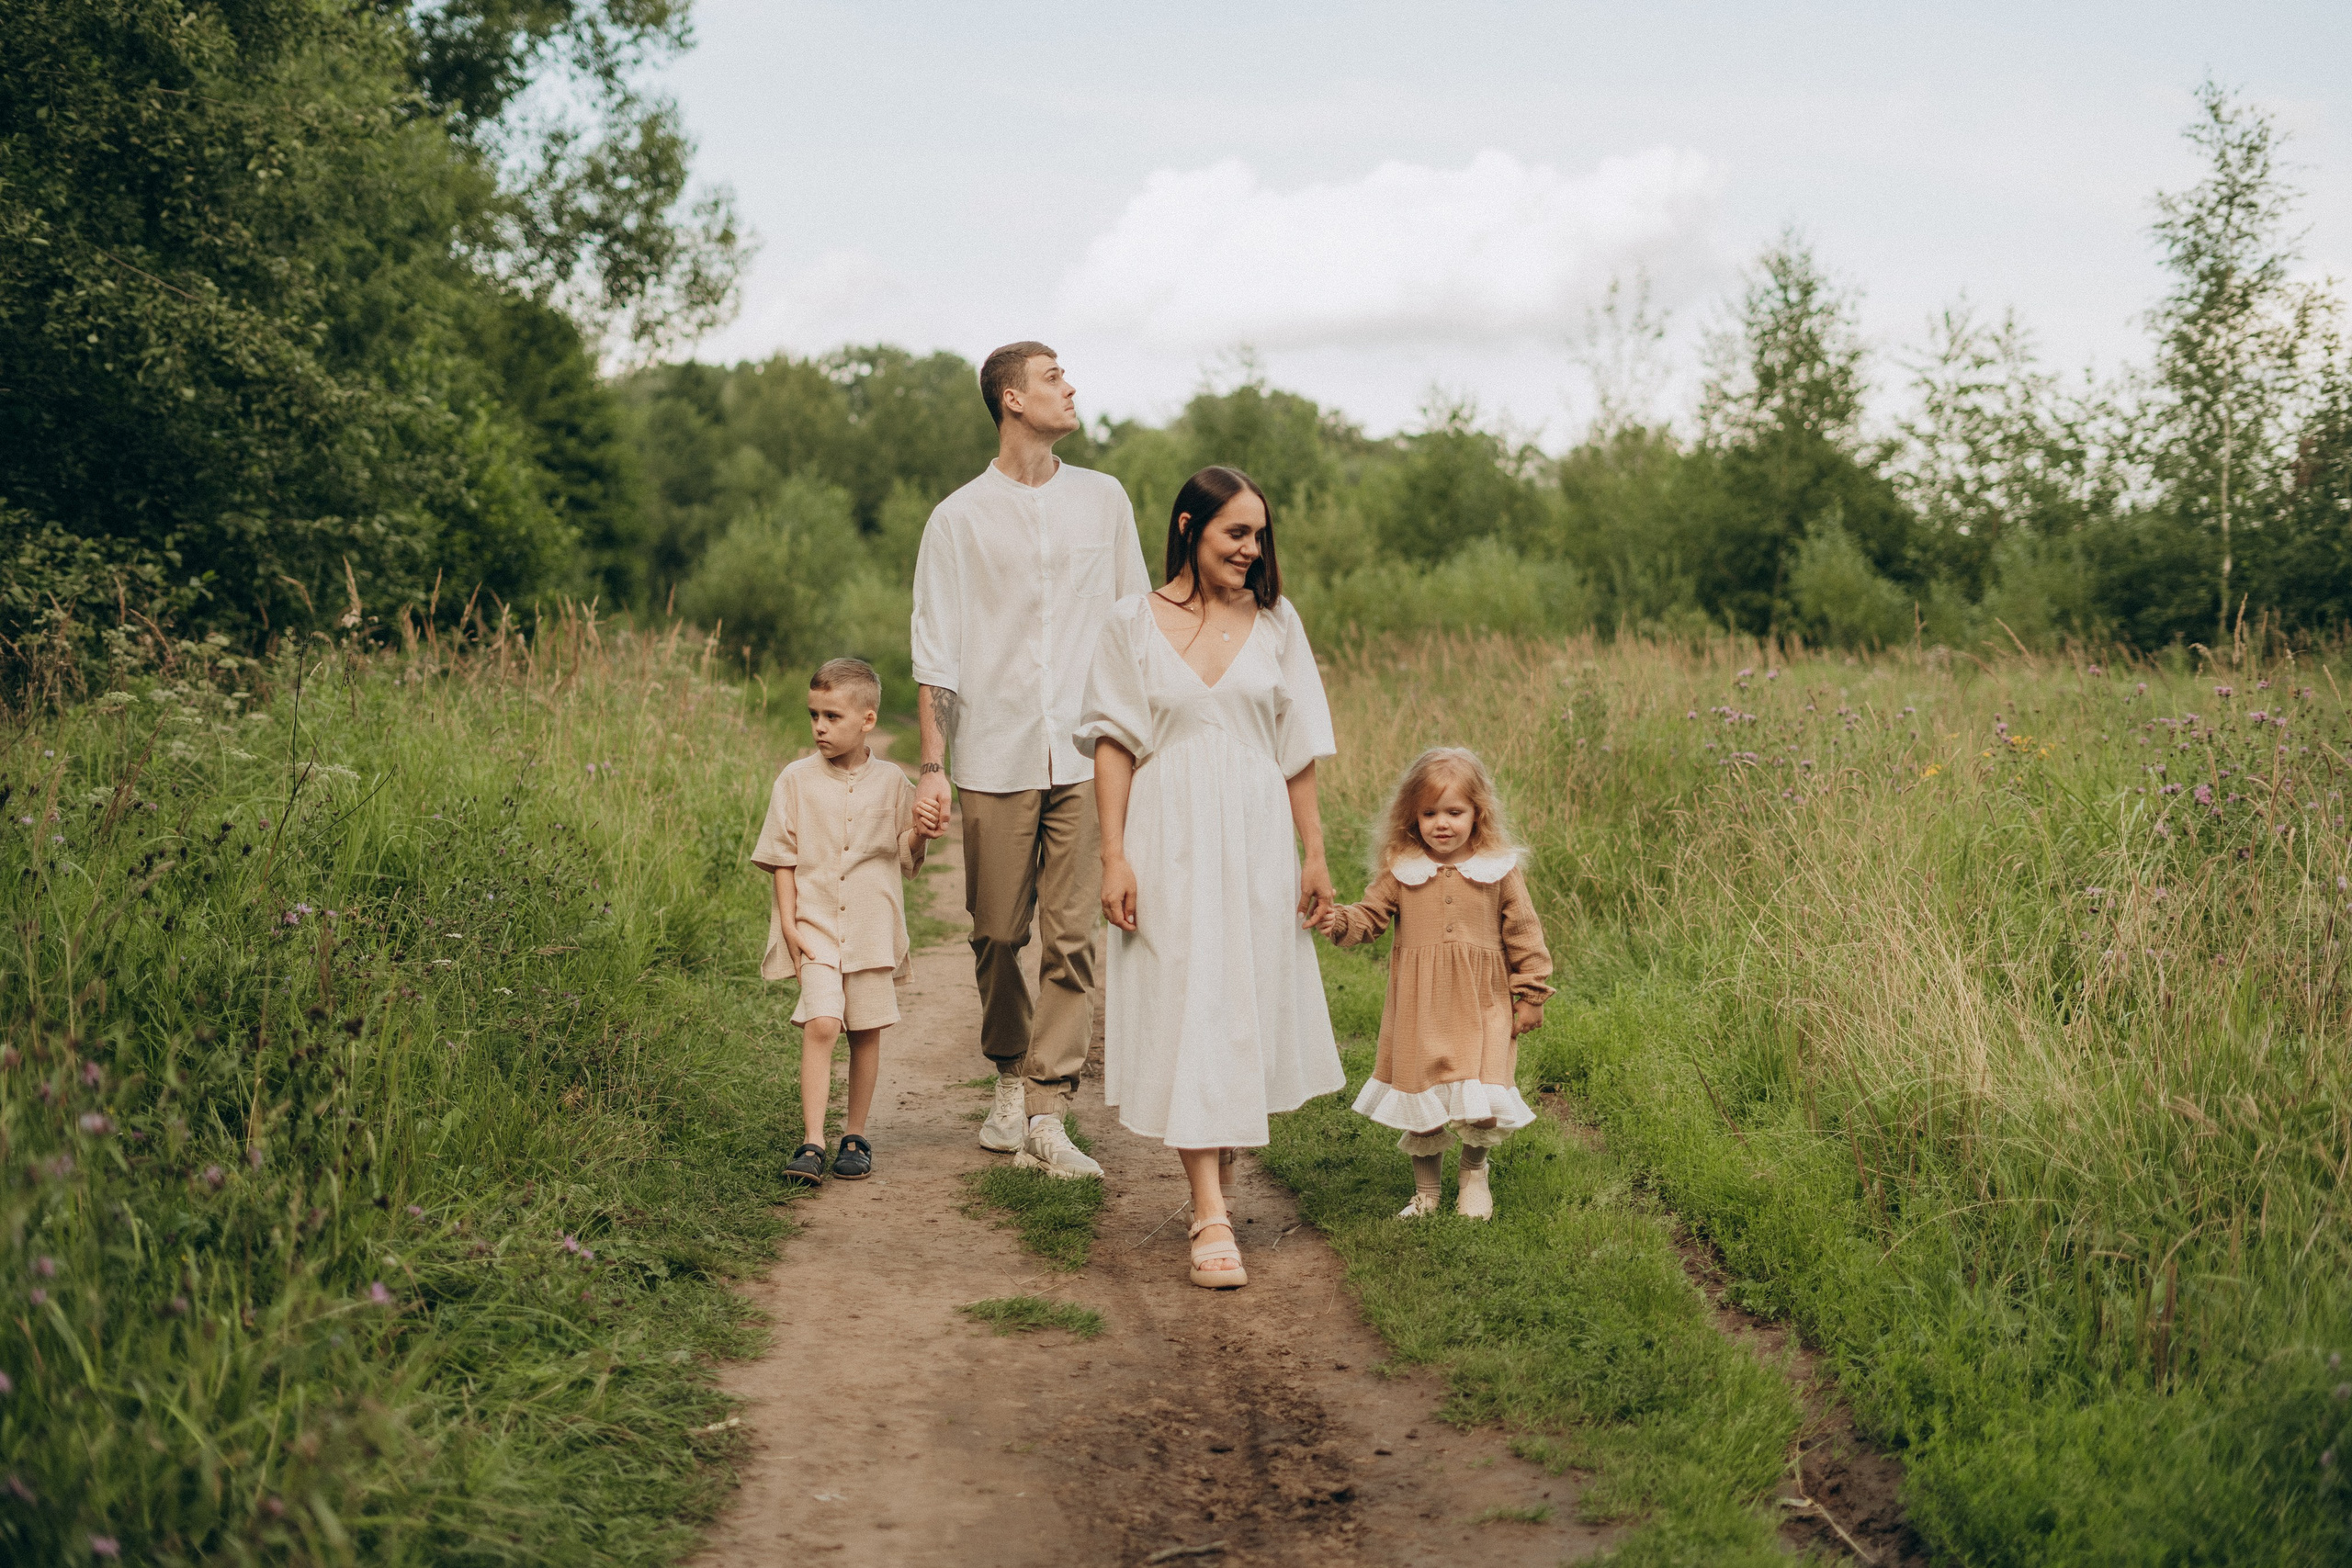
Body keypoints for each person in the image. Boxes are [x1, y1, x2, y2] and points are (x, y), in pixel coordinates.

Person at [1078, 466, 1345, 1289]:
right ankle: (1209, 1211)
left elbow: (1296, 745)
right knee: (1188, 994)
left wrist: (1315, 850)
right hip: (1169, 831)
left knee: (1238, 998)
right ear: (1190, 526)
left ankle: (1217, 1162)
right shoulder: (1130, 621)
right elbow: (1116, 744)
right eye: (1237, 532)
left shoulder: (1277, 621)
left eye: (1259, 534)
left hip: (1258, 828)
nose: (1252, 548)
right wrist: (1114, 852)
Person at [910, 342, 1150, 1179]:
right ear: (1011, 398)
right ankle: (1008, 1070)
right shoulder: (958, 518)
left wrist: (1142, 743)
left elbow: (1133, 624)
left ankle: (1049, 1106)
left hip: (1087, 752)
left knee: (1072, 936)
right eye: (1054, 377)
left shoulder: (1105, 499)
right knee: (996, 932)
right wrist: (933, 766)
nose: (1071, 386)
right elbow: (935, 653)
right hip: (994, 749)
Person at [1316, 747, 1553, 1221]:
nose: (1441, 823)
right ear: (1412, 816)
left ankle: (1473, 1176)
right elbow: (1369, 917)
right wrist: (1339, 922)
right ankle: (1426, 1194)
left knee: (1482, 1098)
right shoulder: (1403, 870)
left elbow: (1524, 932)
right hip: (1421, 1009)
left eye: (1454, 812)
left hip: (1483, 1003)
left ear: (1477, 814)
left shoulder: (1498, 870)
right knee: (1423, 1100)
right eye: (1429, 813)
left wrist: (1531, 993)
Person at [751, 658, 927, 1188]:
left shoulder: (895, 781)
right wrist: (788, 923)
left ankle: (854, 1135)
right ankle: (812, 1140)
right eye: (814, 716)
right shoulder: (795, 779)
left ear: (867, 719)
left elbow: (905, 854)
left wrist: (922, 833)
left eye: (832, 716)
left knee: (865, 1030)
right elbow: (782, 855)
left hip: (873, 924)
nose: (820, 727)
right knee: (823, 1022)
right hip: (815, 924)